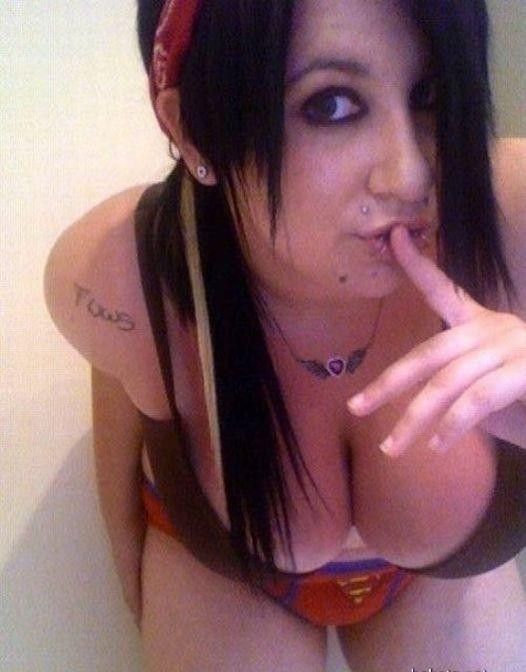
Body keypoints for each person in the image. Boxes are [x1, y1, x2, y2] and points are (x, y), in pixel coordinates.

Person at [44, 0, 526, 669]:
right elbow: (124, 403)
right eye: (331, 105)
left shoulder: (512, 214)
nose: (411, 174)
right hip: (226, 583)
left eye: (430, 94)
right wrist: (132, 582)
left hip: (441, 589)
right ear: (191, 130)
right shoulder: (119, 274)